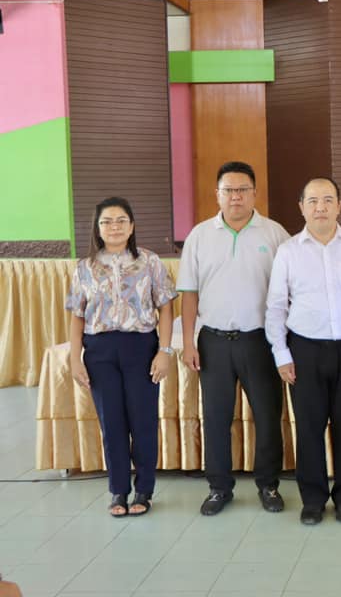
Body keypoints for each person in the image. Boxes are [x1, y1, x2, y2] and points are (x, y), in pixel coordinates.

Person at [266, 178, 341, 525]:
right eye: (313, 201)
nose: (320, 207)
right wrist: (281, 353)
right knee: (309, 427)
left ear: (339, 206)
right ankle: (313, 500)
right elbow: (276, 306)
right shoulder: (288, 251)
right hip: (304, 349)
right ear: (301, 207)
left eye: (328, 200)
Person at [177, 161, 291, 516]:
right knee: (216, 418)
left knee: (268, 417)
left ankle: (268, 485)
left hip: (261, 341)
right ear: (218, 194)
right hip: (213, 342)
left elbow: (291, 291)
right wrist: (189, 342)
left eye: (242, 190)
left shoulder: (275, 234)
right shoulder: (200, 236)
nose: (235, 197)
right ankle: (219, 488)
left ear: (255, 193)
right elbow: (189, 294)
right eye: (228, 190)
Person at [67, 196, 176, 517]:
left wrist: (165, 351)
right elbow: (76, 315)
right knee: (111, 423)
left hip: (140, 347)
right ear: (97, 228)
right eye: (106, 222)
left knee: (143, 421)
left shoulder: (150, 262)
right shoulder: (84, 268)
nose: (114, 227)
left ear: (132, 226)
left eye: (120, 221)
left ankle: (144, 489)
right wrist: (74, 358)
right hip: (99, 351)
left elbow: (166, 308)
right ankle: (118, 490)